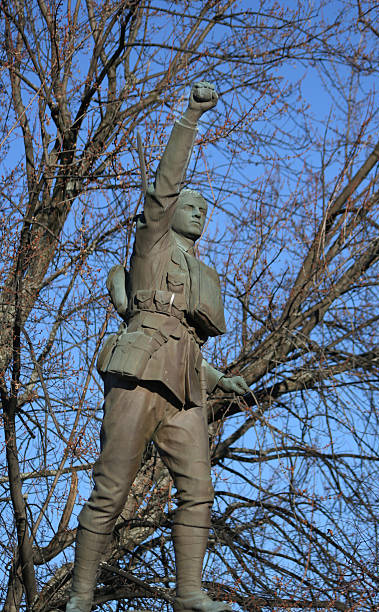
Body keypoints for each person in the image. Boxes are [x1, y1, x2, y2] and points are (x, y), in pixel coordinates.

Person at [66, 82, 249, 612]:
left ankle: (188, 591)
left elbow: (186, 343)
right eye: (190, 204)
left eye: (203, 208)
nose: (198, 211)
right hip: (139, 374)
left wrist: (219, 380)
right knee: (112, 489)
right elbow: (164, 185)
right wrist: (191, 115)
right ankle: (80, 595)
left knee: (199, 489)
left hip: (185, 387)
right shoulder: (153, 244)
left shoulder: (202, 273)